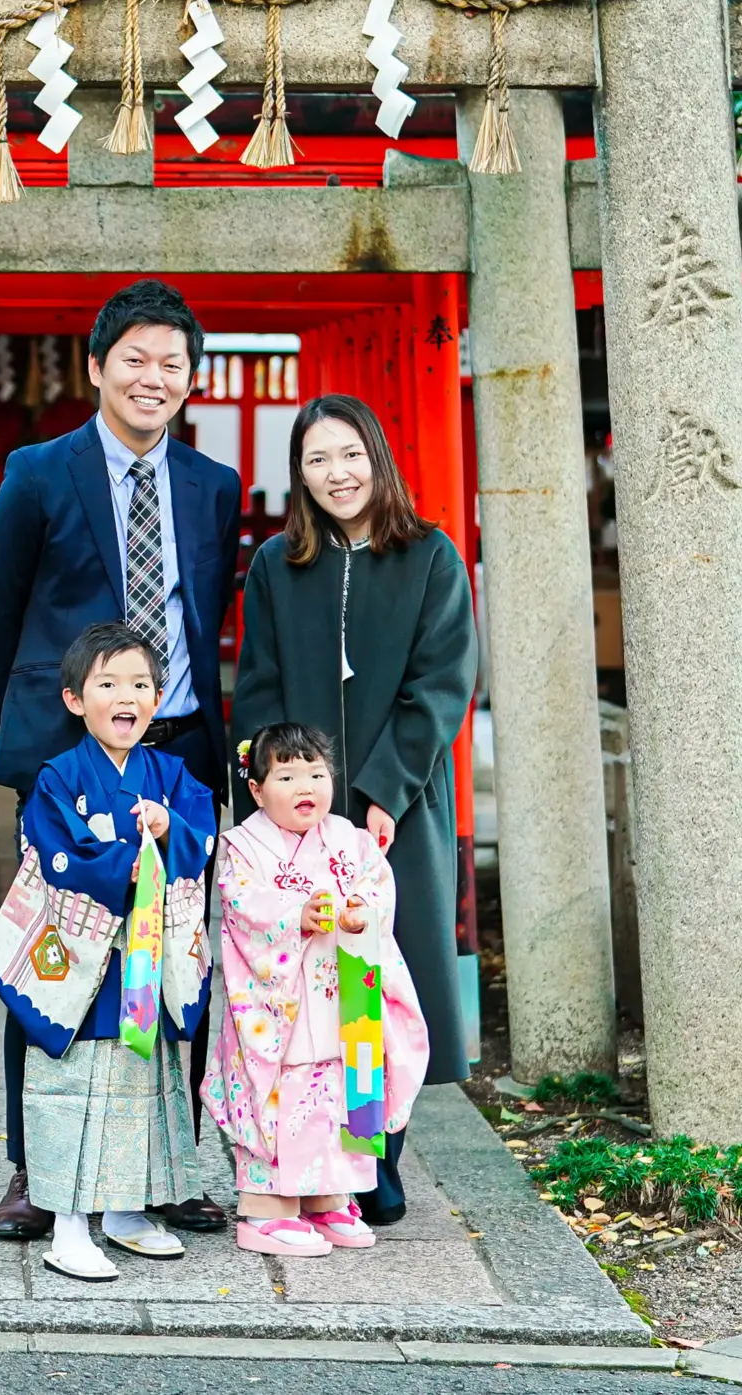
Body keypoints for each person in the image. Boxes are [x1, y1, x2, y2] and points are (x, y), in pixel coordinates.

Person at [0, 279, 243, 1241]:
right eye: (135, 358)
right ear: (97, 367)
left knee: (177, 964)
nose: (152, 378)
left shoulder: (214, 488)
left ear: (188, 378)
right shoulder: (41, 471)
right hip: (69, 755)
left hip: (180, 751)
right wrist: (32, 743)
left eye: (172, 362)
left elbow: (203, 623)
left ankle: (164, 1166)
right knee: (59, 955)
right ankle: (32, 1169)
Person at [230, 392, 478, 1225]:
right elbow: (258, 682)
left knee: (375, 983)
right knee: (305, 996)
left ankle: (375, 1158)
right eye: (315, 461)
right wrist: (269, 798)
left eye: (349, 455)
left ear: (378, 457)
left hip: (394, 808)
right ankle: (302, 1161)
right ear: (298, 477)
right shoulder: (276, 564)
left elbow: (441, 684)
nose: (336, 474)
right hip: (291, 812)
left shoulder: (431, 557)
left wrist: (377, 793)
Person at [0, 624, 215, 1281]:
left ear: (160, 697)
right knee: (73, 1089)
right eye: (108, 683)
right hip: (85, 964)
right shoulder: (59, 775)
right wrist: (131, 862)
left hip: (143, 967)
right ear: (76, 700)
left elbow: (201, 835)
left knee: (142, 1084)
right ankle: (70, 1223)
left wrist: (171, 829)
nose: (126, 695)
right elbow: (58, 855)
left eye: (140, 683)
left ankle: (127, 1209)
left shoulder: (170, 774)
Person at [204, 721, 428, 1256]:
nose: (306, 786)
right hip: (278, 1006)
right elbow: (241, 906)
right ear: (256, 789)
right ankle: (266, 1209)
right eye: (287, 775)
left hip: (340, 998)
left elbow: (378, 891)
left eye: (316, 772)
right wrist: (294, 915)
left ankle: (327, 1198)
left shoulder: (350, 840)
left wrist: (361, 914)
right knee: (281, 1097)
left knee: (338, 1091)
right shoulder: (243, 845)